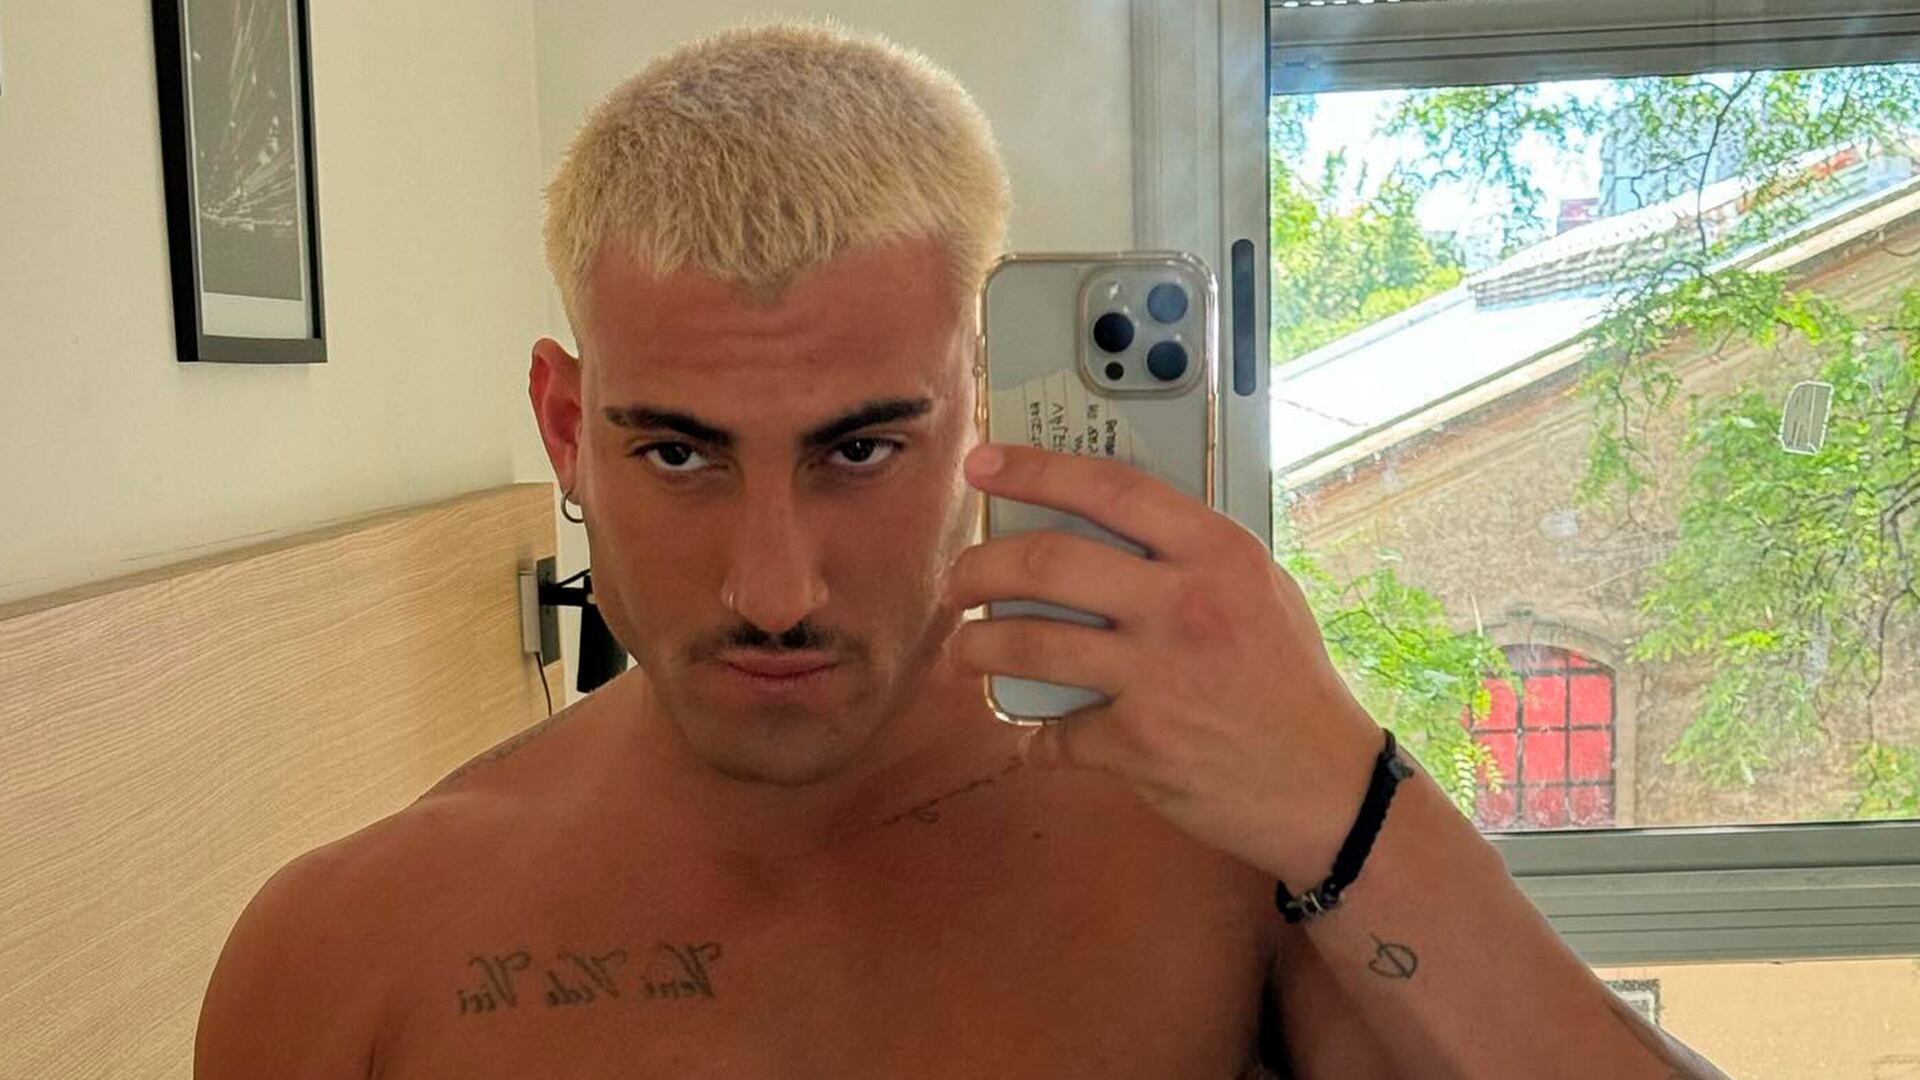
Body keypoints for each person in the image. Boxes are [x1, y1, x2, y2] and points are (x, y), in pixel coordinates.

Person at [195, 21, 1733, 1080]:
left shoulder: (1215, 859)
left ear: (984, 405)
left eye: (862, 449)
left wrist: (1348, 796)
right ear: (563, 428)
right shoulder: (348, 958)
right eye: (678, 453)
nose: (774, 588)